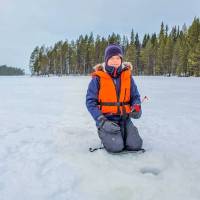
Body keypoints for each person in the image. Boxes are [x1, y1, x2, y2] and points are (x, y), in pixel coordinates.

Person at [86, 44, 143, 153]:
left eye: (118, 58)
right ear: (106, 60)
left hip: (124, 118)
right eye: (111, 58)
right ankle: (104, 133)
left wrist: (137, 107)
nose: (115, 61)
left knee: (135, 145)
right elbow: (90, 102)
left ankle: (124, 133)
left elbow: (135, 96)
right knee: (116, 147)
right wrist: (101, 121)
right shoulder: (98, 78)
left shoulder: (127, 76)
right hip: (106, 120)